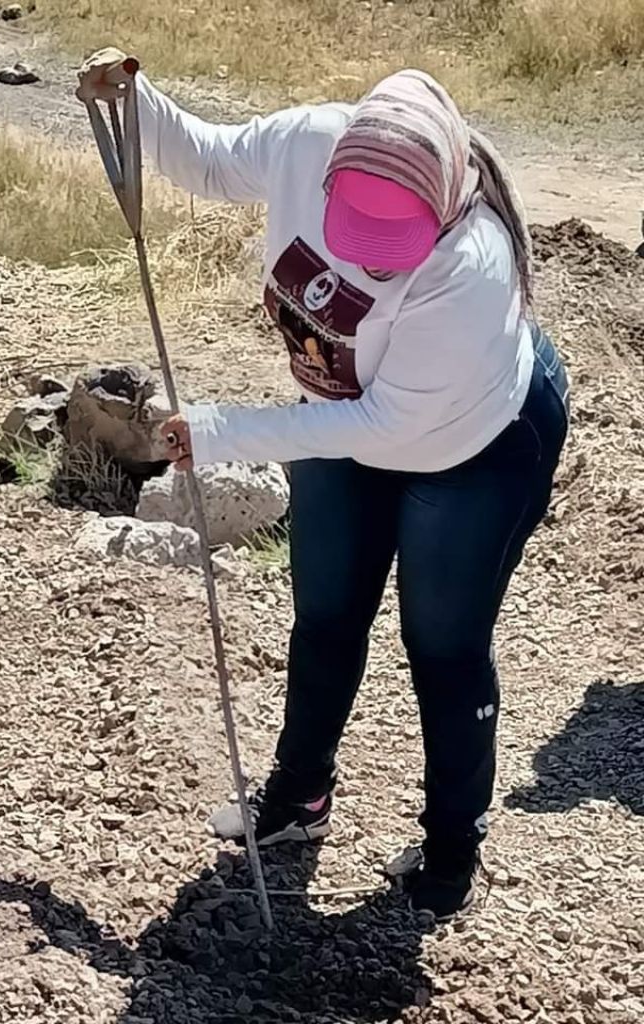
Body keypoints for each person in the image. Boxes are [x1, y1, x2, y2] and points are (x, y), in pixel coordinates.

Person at [78, 53, 570, 920]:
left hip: (475, 449)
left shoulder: (473, 263)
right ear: (333, 176)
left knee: (443, 645)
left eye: (391, 256)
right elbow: (207, 160)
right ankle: (299, 797)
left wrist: (227, 431)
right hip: (347, 421)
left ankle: (451, 850)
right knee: (327, 615)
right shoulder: (308, 142)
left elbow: (384, 425)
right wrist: (133, 96)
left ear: (440, 207)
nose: (369, 268)